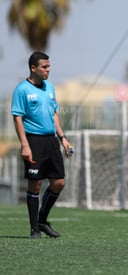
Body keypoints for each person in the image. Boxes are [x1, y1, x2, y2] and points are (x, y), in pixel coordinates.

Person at [11, 51, 72, 239]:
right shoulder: (22, 90)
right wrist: (24, 145)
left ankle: (42, 220)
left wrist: (63, 138)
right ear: (33, 68)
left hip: (51, 141)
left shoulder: (50, 88)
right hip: (33, 140)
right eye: (44, 67)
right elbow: (17, 118)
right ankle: (34, 229)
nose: (48, 70)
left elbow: (54, 114)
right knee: (35, 184)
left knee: (59, 182)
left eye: (49, 66)